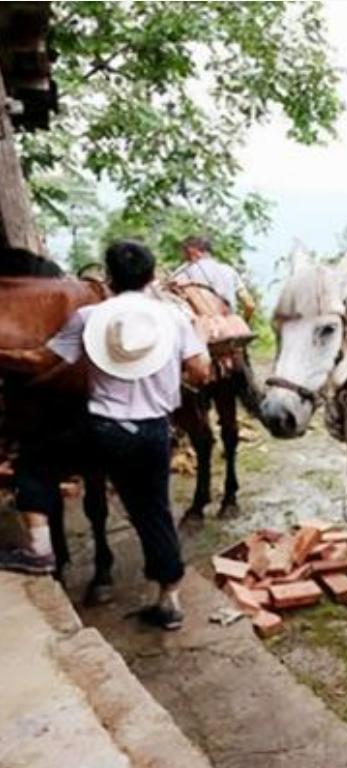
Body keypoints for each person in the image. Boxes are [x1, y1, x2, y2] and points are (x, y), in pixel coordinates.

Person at [0, 241, 210, 631]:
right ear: (151, 276)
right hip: (153, 433)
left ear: (110, 278)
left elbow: (37, 361)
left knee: (33, 462)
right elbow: (201, 373)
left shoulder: (89, 317)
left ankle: (41, 550)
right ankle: (169, 603)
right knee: (154, 512)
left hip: (102, 431)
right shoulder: (175, 319)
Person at [172, 235, 256, 321]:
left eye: (185, 255)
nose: (184, 259)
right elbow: (250, 305)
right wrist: (244, 323)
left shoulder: (184, 270)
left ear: (193, 252)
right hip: (233, 329)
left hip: (203, 329)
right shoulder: (230, 270)